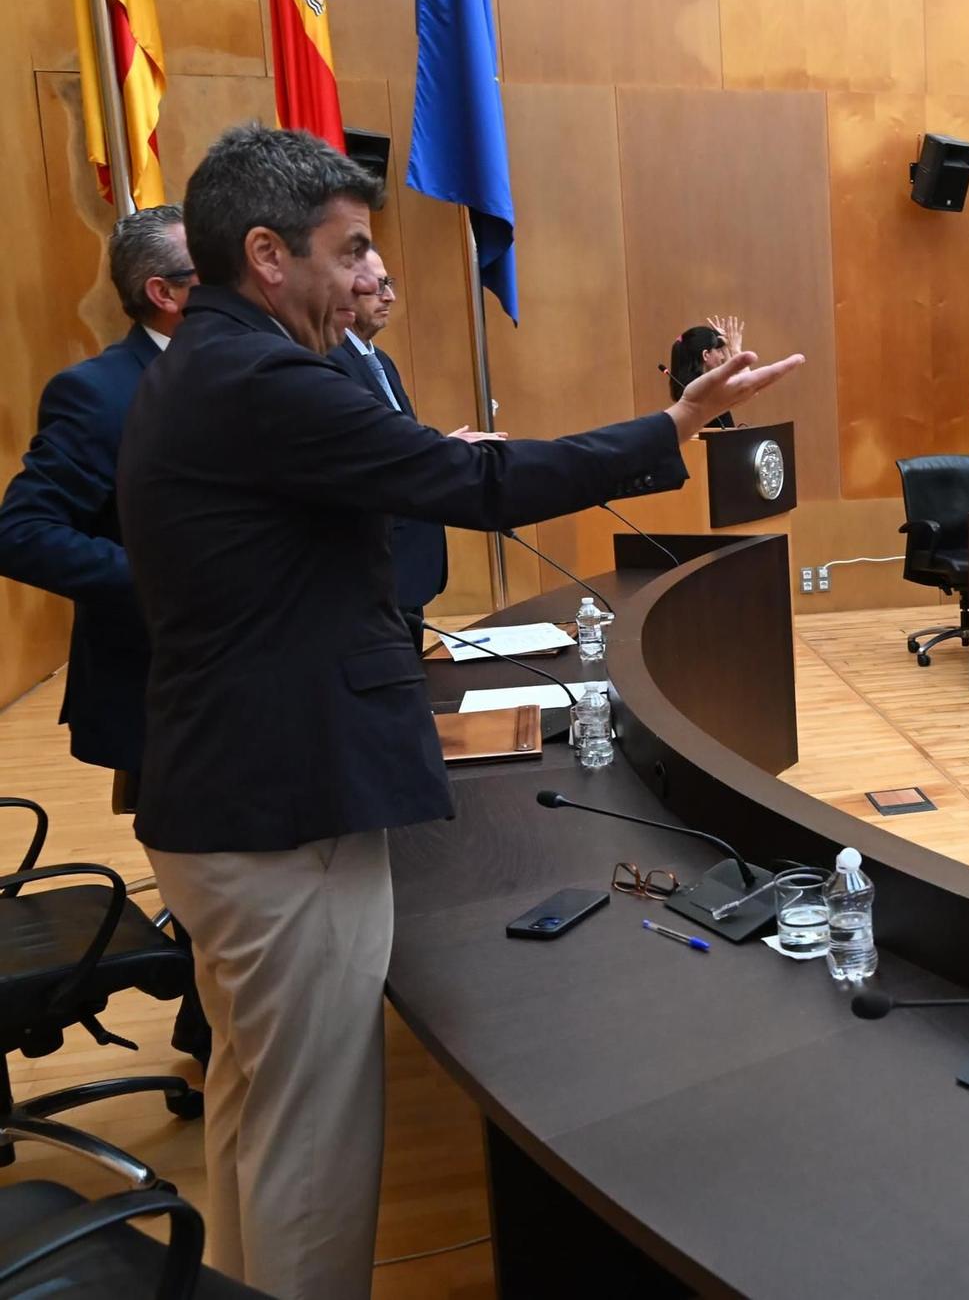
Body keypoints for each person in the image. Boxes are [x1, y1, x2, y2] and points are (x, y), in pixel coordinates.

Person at [115, 123, 802, 1300]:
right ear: (269, 255)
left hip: (224, 793)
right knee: (312, 1140)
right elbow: (477, 485)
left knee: (256, 1104)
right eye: (349, 250)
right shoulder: (262, 377)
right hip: (280, 809)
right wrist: (674, 427)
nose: (363, 277)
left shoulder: (210, 363)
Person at [0, 204, 193, 796]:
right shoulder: (98, 394)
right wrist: (169, 580)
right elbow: (22, 534)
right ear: (164, 292)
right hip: (165, 692)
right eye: (216, 271)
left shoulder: (252, 373)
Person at [327, 250, 503, 649]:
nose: (389, 296)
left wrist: (440, 447)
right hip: (375, 561)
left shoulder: (379, 360)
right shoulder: (331, 362)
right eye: (378, 286)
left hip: (405, 558)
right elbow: (369, 453)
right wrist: (438, 450)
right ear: (342, 291)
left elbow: (394, 440)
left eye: (389, 284)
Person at [666, 315, 746, 427]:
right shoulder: (704, 388)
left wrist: (724, 344)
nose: (722, 356)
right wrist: (735, 349)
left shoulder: (690, 387)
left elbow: (731, 375)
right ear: (706, 355)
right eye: (718, 351)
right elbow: (746, 387)